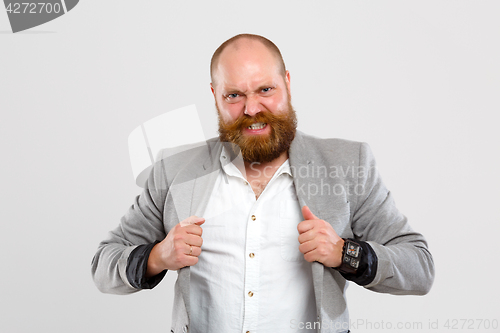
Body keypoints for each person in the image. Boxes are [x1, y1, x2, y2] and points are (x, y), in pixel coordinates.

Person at [91, 34, 434, 333]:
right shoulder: (174, 170)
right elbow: (104, 265)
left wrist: (346, 253)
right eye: (234, 95)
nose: (252, 108)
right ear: (215, 96)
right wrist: (157, 256)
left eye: (265, 89)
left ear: (287, 82)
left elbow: (418, 267)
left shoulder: (347, 165)